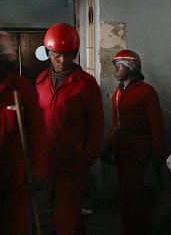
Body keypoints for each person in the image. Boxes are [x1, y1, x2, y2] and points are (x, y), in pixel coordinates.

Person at [0, 20, 47, 235]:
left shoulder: (19, 87)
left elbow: (37, 132)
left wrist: (38, 173)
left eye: (0, 52)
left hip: (14, 186)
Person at [36, 23, 104, 235]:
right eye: (57, 55)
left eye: (68, 55)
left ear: (75, 54)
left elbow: (96, 123)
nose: (63, 61)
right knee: (66, 211)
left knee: (62, 216)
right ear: (48, 52)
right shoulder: (40, 81)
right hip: (47, 160)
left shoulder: (86, 84)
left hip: (73, 161)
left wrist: (88, 157)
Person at [101, 49, 165, 235]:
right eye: (116, 66)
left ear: (132, 68)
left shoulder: (146, 92)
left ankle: (140, 227)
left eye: (120, 66)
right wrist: (107, 149)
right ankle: (129, 225)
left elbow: (156, 124)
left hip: (139, 147)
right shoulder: (117, 94)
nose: (116, 70)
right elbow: (116, 124)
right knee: (127, 189)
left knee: (133, 189)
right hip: (122, 147)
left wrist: (158, 152)